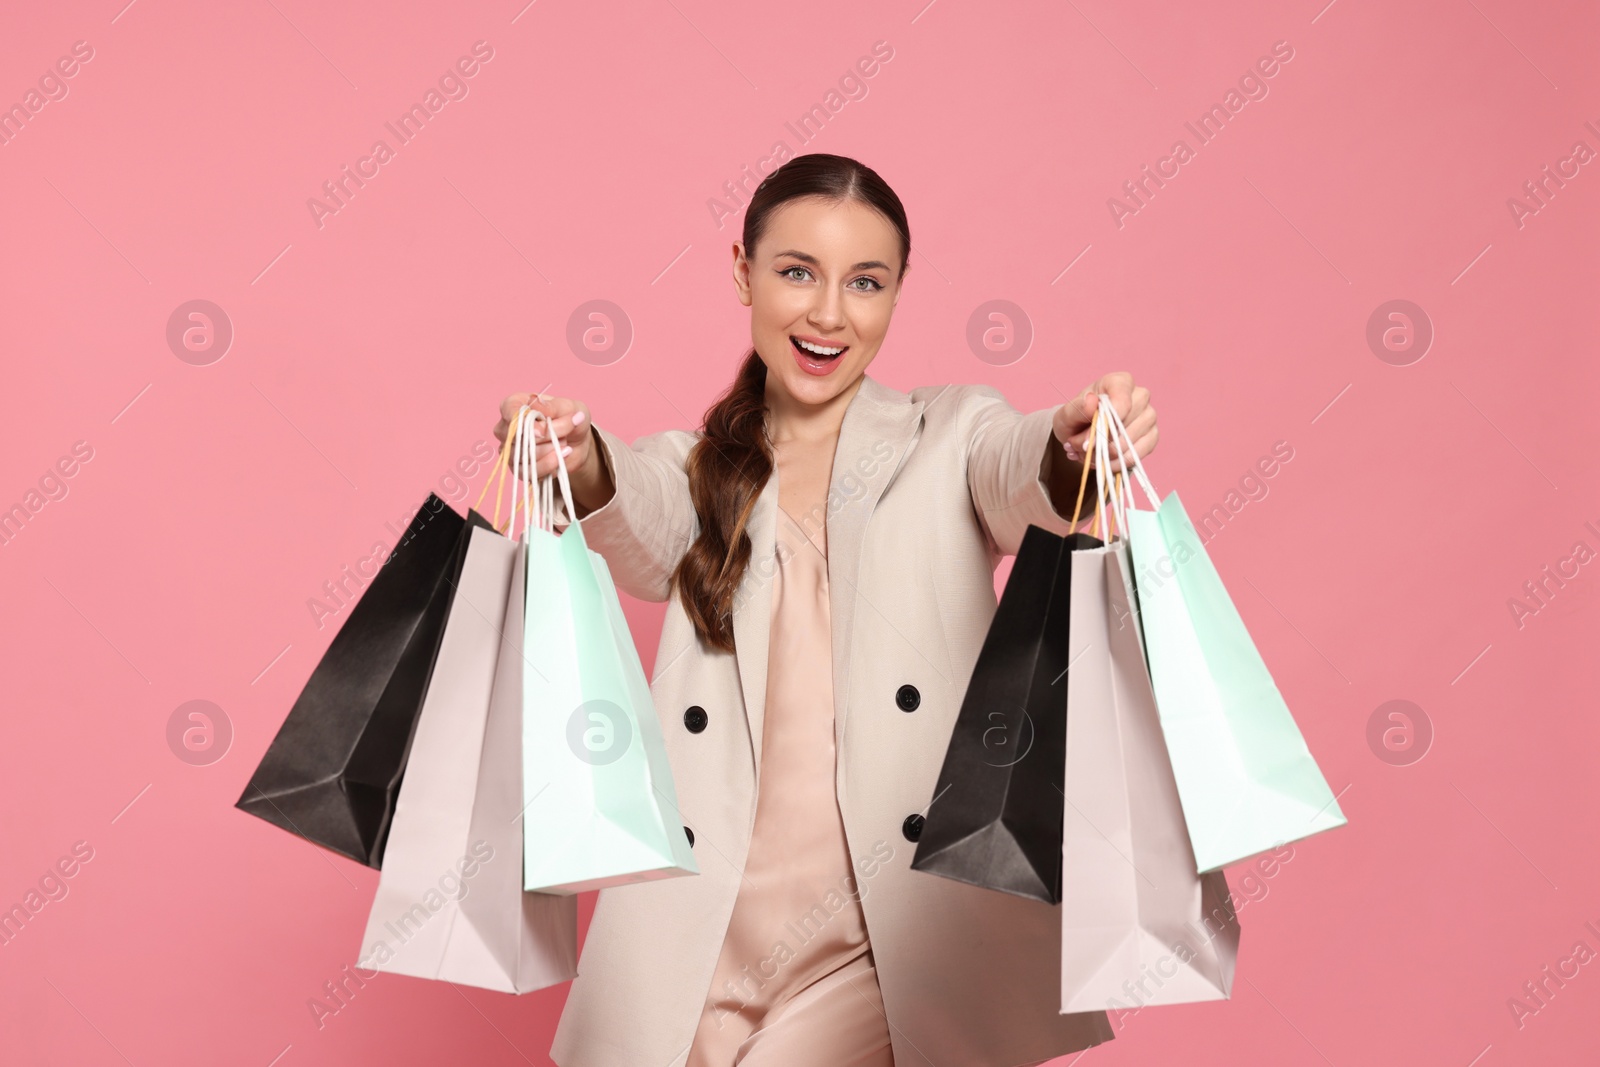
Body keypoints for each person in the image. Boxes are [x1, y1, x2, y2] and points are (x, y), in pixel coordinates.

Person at [494, 153, 1158, 1067]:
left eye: (866, 283)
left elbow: (1019, 467)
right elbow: (637, 512)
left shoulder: (947, 434)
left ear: (896, 294)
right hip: (705, 923)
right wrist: (576, 458)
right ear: (743, 271)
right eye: (797, 271)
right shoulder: (698, 468)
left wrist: (1073, 442)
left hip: (886, 930)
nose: (828, 314)